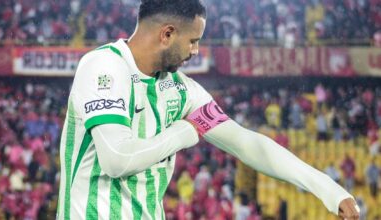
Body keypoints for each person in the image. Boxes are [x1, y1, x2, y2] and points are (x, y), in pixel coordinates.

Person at [57, 0, 360, 219]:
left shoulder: (179, 89)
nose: (196, 51)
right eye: (193, 41)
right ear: (167, 34)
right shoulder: (103, 66)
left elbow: (247, 143)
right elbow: (117, 159)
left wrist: (330, 190)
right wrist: (184, 132)